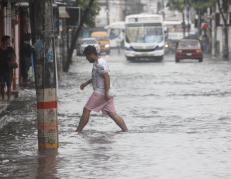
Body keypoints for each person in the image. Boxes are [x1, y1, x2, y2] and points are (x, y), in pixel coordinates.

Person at [76, 45, 128, 133]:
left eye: (87, 56)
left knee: (86, 109)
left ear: (91, 54)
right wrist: (86, 83)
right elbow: (97, 77)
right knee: (113, 114)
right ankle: (126, 131)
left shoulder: (100, 63)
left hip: (101, 92)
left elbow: (106, 77)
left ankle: (78, 131)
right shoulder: (97, 62)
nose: (86, 59)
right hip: (106, 92)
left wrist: (106, 92)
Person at [0, 36, 17, 101]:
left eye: (9, 41)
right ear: (3, 41)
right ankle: (3, 98)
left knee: (9, 85)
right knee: (2, 85)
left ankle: (8, 99)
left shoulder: (11, 49)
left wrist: (12, 62)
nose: (9, 42)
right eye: (8, 40)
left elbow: (14, 58)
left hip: (9, 70)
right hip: (1, 70)